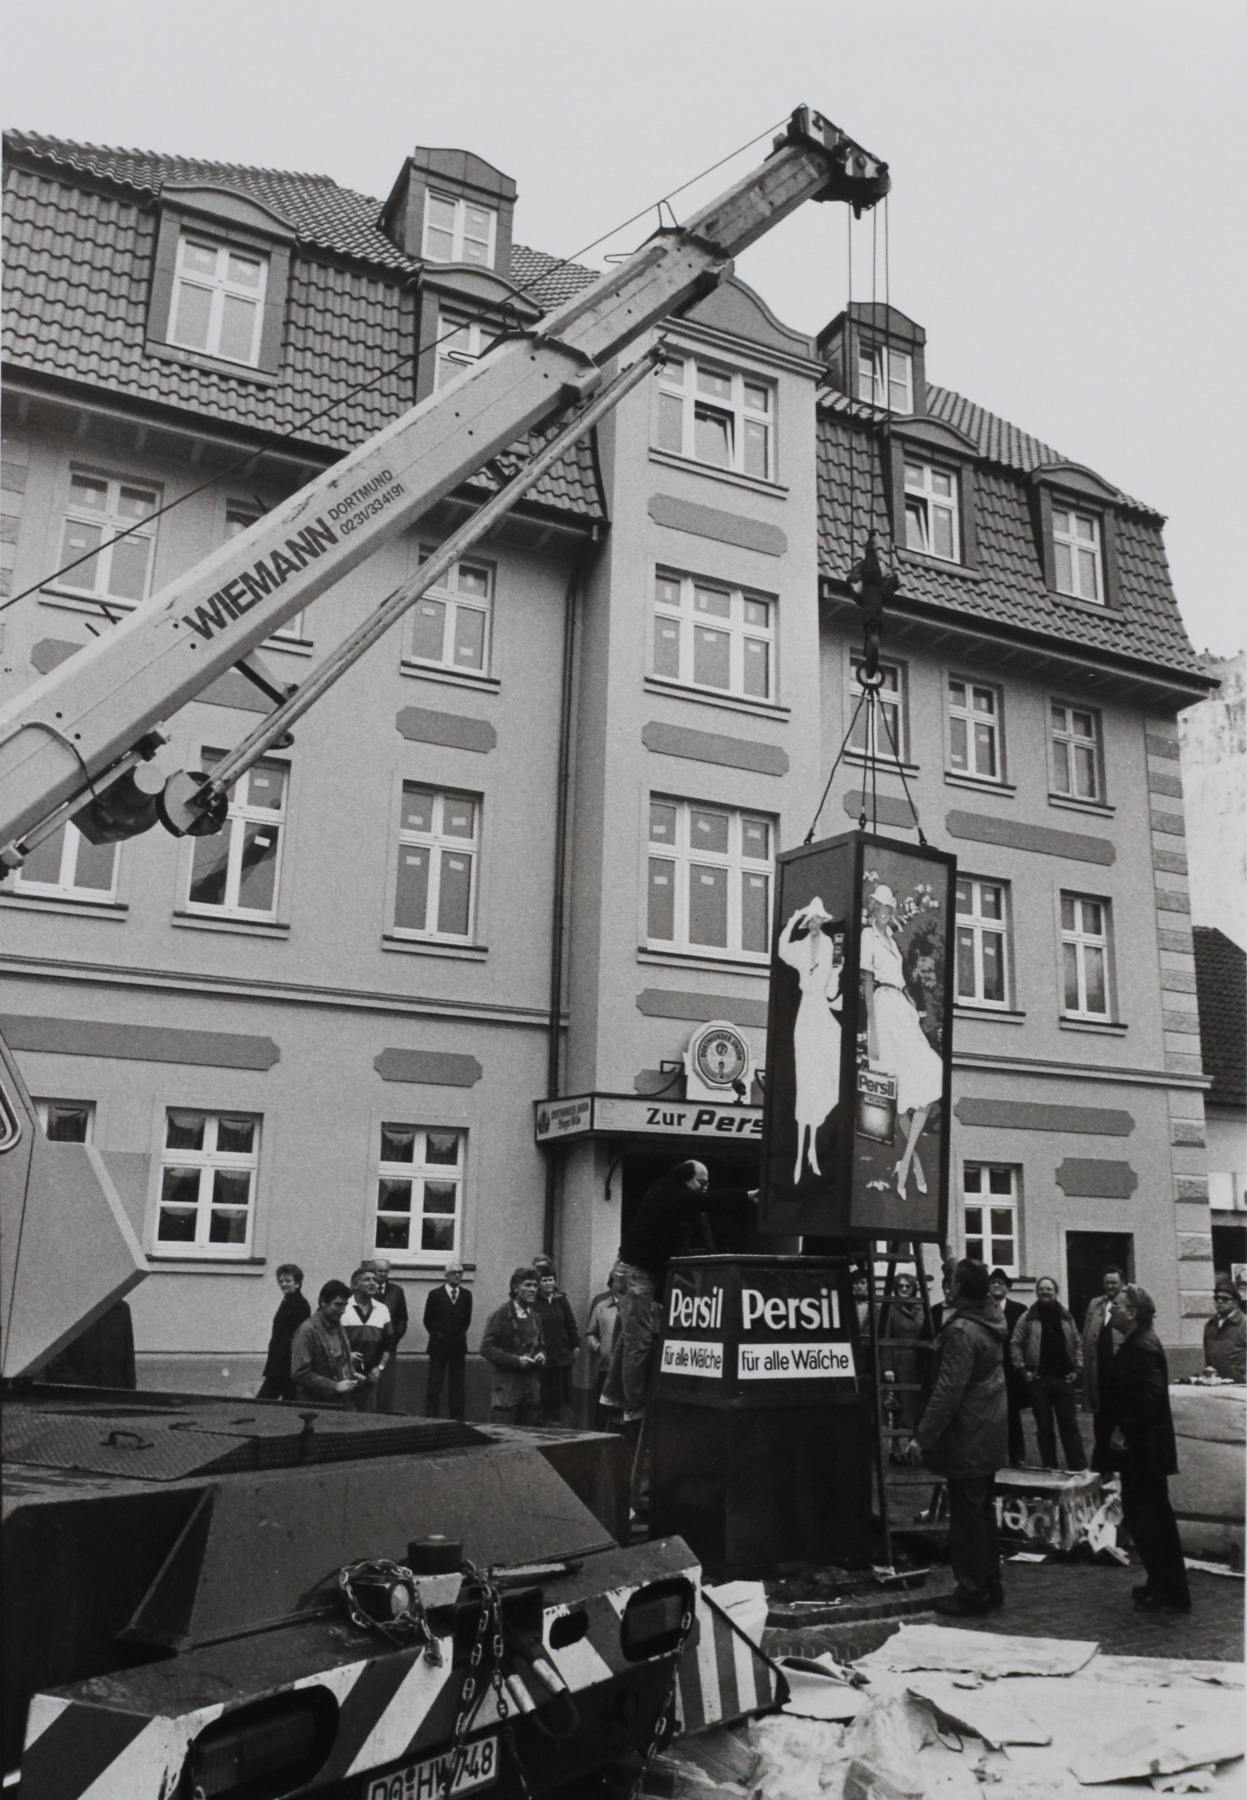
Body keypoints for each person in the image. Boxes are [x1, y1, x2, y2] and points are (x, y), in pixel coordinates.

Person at [907, 1259, 1008, 1617]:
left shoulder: (962, 1332)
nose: (946, 1286)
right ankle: (989, 1585)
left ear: (960, 1289)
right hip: (987, 1431)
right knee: (982, 1514)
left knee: (966, 1519)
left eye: (951, 1281)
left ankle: (971, 1592)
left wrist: (922, 1437)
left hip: (968, 1435)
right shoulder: (990, 1320)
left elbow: (948, 1392)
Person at [1099, 1283, 1191, 1615]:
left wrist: (1124, 1429)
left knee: (1149, 1520)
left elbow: (1149, 1396)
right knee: (1150, 1518)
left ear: (1133, 1313)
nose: (1112, 1310)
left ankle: (1168, 1591)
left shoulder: (1141, 1346)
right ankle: (1162, 1584)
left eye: (1117, 1305)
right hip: (1145, 1449)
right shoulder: (1138, 1342)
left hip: (1144, 1450)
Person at [860, 884, 943, 1198]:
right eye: (879, 907)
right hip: (883, 1008)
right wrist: (872, 1030)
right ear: (873, 909)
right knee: (898, 1092)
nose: (883, 913)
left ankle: (906, 1163)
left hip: (901, 1007)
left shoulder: (891, 941)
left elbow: (900, 979)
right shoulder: (868, 937)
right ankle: (911, 1168)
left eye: (887, 908)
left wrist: (912, 1004)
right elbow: (868, 983)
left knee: (930, 1075)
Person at [776, 897, 842, 1183]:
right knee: (805, 1074)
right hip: (807, 1010)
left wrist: (836, 974)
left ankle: (813, 1149)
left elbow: (831, 990)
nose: (815, 923)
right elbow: (781, 949)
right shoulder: (801, 946)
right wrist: (794, 917)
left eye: (818, 919)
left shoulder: (829, 945)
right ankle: (800, 1154)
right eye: (811, 919)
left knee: (823, 1073)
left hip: (821, 1010)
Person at [1010, 1276, 1087, 1471]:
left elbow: (1078, 1344)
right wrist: (1023, 1370)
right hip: (1039, 1380)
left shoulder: (1066, 1317)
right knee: (1044, 1427)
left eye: (1049, 1289)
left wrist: (1077, 1369)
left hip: (1064, 1380)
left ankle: (1078, 1468)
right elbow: (1015, 1343)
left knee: (1069, 1425)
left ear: (1056, 1292)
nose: (1045, 1292)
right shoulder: (1028, 1317)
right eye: (1042, 1289)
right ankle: (1049, 1467)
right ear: (1037, 1292)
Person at [481, 1267, 546, 1424]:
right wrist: (516, 1361)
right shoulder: (501, 1314)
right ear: (515, 1288)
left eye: (535, 1286)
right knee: (502, 1433)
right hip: (507, 1390)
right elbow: (486, 1348)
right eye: (528, 1285)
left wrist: (542, 1354)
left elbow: (541, 1345)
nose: (533, 1290)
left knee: (530, 1433)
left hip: (530, 1389)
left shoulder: (535, 1317)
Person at [881, 1272, 930, 1459]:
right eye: (900, 1286)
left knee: (917, 1406)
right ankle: (895, 1447)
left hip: (918, 1362)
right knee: (898, 1406)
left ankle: (913, 1447)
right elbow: (885, 1338)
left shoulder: (920, 1309)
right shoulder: (891, 1309)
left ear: (913, 1288)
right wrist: (887, 1367)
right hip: (899, 1362)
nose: (903, 1289)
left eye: (907, 1286)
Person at [1082, 1265, 1128, 1464]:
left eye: (1114, 1283)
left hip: (1119, 1374)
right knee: (1100, 1419)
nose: (1110, 1287)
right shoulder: (1096, 1304)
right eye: (1107, 1283)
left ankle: (1118, 1465)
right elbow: (1086, 1335)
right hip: (1098, 1372)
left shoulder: (1129, 1304)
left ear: (1122, 1283)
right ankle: (1101, 1464)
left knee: (1119, 1420)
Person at [291, 1280, 360, 1409]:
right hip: (317, 1407)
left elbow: (337, 1361)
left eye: (345, 1305)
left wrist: (351, 1373)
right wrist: (335, 1386)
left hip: (342, 1403)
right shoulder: (306, 1331)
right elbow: (299, 1373)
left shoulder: (337, 1326)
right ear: (323, 1302)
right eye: (338, 1305)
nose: (342, 1310)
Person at [422, 1260, 472, 1418]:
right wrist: (438, 1335)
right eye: (453, 1273)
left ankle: (457, 1419)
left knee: (457, 1385)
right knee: (434, 1385)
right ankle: (431, 1418)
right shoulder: (435, 1294)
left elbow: (466, 1320)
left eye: (460, 1273)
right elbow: (427, 1320)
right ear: (446, 1275)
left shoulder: (466, 1295)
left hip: (458, 1347)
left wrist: (457, 1336)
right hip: (438, 1346)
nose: (457, 1276)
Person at [988, 1269, 1028, 1467]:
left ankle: (1017, 1455)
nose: (996, 1286)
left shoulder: (1019, 1310)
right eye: (993, 1282)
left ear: (1008, 1288)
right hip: (989, 1367)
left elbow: (1025, 1340)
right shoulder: (983, 1309)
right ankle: (991, 1456)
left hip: (1011, 1370)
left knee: (1012, 1413)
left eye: (1001, 1283)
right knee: (989, 1413)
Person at [341, 1267, 394, 1414]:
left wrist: (380, 1368)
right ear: (354, 1285)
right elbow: (331, 1339)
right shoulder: (343, 1307)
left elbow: (389, 1344)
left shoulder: (382, 1309)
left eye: (374, 1280)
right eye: (366, 1279)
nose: (372, 1283)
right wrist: (346, 1356)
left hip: (370, 1376)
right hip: (344, 1374)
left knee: (367, 1417)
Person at [257, 1263, 311, 1402]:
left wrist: (278, 1365)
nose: (283, 1284)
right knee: (288, 1401)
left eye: (288, 1281)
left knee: (263, 1401)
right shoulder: (289, 1301)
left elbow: (294, 1337)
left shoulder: (299, 1304)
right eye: (281, 1281)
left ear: (297, 1283)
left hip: (285, 1365)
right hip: (282, 1363)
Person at [534, 1267, 580, 1423]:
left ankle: (562, 1426)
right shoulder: (534, 1302)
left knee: (563, 1396)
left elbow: (570, 1324)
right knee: (545, 1396)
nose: (548, 1283)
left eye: (551, 1280)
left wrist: (575, 1345)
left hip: (562, 1356)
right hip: (544, 1357)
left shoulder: (561, 1300)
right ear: (539, 1283)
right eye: (544, 1280)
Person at [363, 1258, 409, 1414]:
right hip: (369, 1342)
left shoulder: (396, 1291)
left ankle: (383, 1414)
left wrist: (395, 1337)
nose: (383, 1274)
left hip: (389, 1345)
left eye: (385, 1271)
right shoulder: (366, 1290)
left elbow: (402, 1318)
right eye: (379, 1271)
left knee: (386, 1385)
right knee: (368, 1381)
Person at [585, 1268, 625, 1428]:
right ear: (611, 1284)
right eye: (617, 1281)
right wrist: (600, 1348)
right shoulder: (602, 1307)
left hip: (627, 1366)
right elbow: (590, 1334)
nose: (621, 1284)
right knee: (603, 1405)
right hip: (606, 1366)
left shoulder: (633, 1307)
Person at [1203, 1278, 1246, 1382]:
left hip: (1240, 1383)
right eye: (1217, 1298)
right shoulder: (1210, 1325)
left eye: (1225, 1299)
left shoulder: (1244, 1324)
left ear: (1235, 1303)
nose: (1220, 1301)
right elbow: (1208, 1356)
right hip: (1216, 1382)